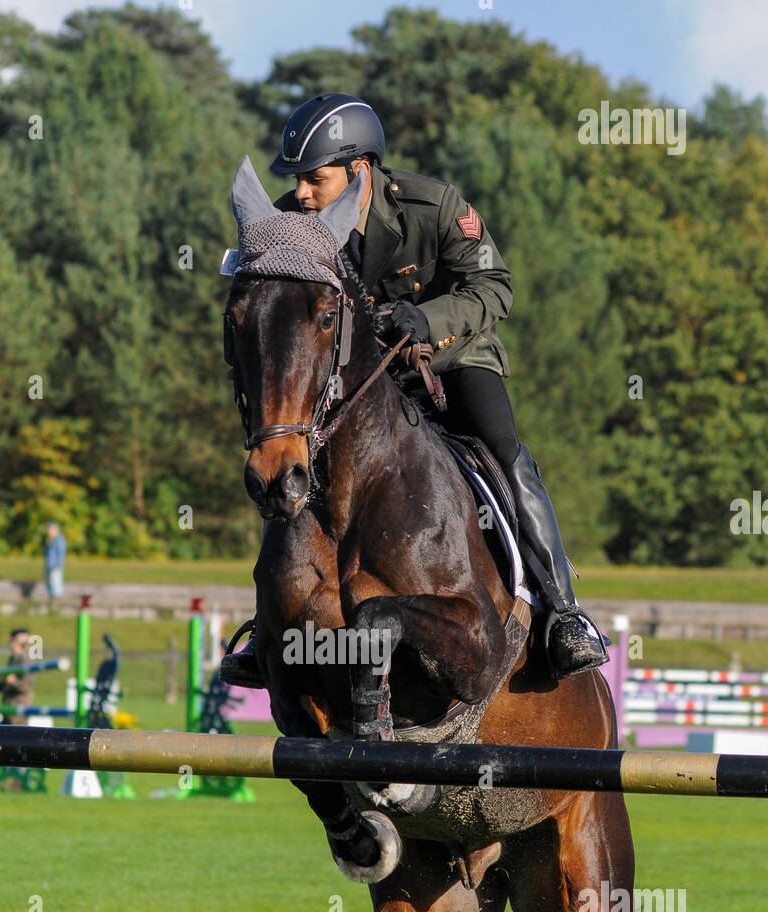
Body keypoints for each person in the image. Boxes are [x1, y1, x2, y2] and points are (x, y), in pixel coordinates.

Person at [222, 92, 607, 688]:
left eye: (313, 179)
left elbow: (495, 286)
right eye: (296, 180)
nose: (300, 193)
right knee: (296, 461)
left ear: (360, 171)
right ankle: (270, 625)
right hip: (354, 382)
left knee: (502, 448)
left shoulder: (432, 206)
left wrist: (427, 320)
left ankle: (562, 611)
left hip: (448, 360)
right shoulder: (292, 224)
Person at [0, 628, 33, 725]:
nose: (9, 643)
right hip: (8, 713)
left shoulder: (25, 661)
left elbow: (26, 688)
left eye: (11, 640)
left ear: (17, 641)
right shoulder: (13, 659)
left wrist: (13, 681)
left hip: (18, 715)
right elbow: (5, 686)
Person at [44, 522, 66, 601]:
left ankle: (56, 597)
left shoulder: (59, 540)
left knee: (55, 581)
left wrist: (58, 564)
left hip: (56, 565)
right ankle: (51, 596)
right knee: (50, 581)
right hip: (49, 564)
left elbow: (60, 553)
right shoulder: (51, 540)